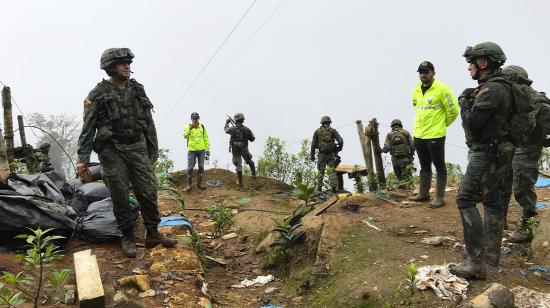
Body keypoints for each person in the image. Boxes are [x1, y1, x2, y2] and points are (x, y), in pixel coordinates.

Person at [77, 48, 177, 258]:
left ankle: (153, 233)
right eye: (121, 63)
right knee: (120, 195)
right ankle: (127, 236)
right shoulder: (97, 95)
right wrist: (83, 159)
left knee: (148, 191)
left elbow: (148, 122)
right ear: (110, 68)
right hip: (112, 151)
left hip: (138, 147)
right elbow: (88, 128)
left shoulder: (137, 89)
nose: (127, 66)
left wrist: (153, 149)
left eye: (128, 63)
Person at [450, 42, 512, 279]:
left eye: (471, 63)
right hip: (501, 151)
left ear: (483, 63)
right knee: (493, 200)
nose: (469, 68)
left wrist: (464, 101)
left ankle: (476, 262)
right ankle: (491, 256)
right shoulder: (503, 86)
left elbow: (473, 122)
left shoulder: (492, 89)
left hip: (488, 152)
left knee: (465, 199)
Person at [500, 65, 550, 242]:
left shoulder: (538, 102)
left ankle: (528, 226)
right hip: (511, 147)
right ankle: (500, 221)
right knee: (502, 183)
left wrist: (542, 140)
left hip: (527, 149)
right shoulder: (513, 98)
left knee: (522, 186)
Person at [409, 61, 459, 208]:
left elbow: (454, 110)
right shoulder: (416, 90)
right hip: (419, 134)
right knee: (424, 165)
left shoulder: (443, 89)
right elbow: (418, 110)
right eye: (421, 72)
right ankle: (423, 193)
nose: (423, 75)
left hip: (435, 134)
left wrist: (442, 124)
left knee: (439, 166)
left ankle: (439, 197)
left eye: (426, 72)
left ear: (433, 73)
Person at [310, 116, 343, 193]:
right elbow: (340, 141)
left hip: (321, 155)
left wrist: (312, 156)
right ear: (329, 122)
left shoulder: (317, 131)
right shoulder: (333, 131)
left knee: (321, 172)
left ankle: (319, 189)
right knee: (332, 171)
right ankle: (334, 189)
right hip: (331, 155)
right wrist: (339, 149)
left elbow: (313, 145)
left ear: (322, 122)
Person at [380, 119, 415, 188]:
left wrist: (382, 150)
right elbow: (412, 144)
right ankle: (410, 189)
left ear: (392, 126)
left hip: (395, 159)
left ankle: (403, 189)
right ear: (400, 125)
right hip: (405, 157)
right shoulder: (406, 133)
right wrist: (411, 154)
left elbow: (387, 147)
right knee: (407, 175)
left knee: (399, 176)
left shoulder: (390, 134)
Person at [224, 113, 256, 186]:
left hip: (235, 148)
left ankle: (240, 182)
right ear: (243, 120)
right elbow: (252, 139)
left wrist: (227, 122)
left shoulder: (232, 129)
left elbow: (226, 130)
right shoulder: (246, 129)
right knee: (249, 160)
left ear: (235, 120)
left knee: (238, 164)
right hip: (244, 148)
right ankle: (253, 175)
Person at [183, 112, 210, 192]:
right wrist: (190, 129)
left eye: (196, 118)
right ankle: (189, 185)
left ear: (198, 119)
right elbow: (184, 136)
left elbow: (206, 138)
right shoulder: (188, 127)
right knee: (190, 168)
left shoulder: (202, 127)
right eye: (193, 118)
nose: (195, 120)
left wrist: (207, 149)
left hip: (201, 150)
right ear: (191, 119)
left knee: (201, 167)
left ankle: (199, 184)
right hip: (192, 150)